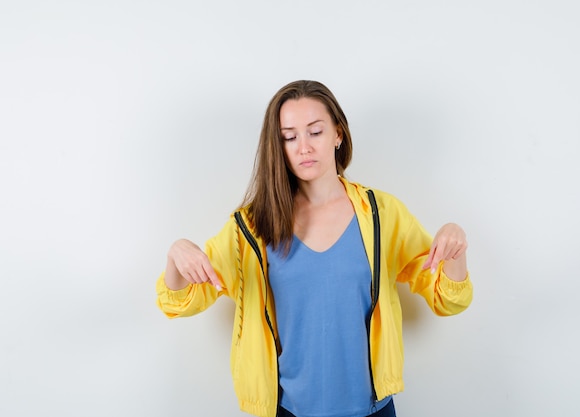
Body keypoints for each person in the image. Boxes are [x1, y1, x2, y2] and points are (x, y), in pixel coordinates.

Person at [156, 80, 473, 417]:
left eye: (315, 132)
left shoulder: (382, 214)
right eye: (289, 137)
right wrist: (177, 255)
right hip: (289, 410)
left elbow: (448, 298)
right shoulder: (251, 227)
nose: (303, 147)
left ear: (338, 134)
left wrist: (456, 248)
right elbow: (180, 302)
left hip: (373, 409)